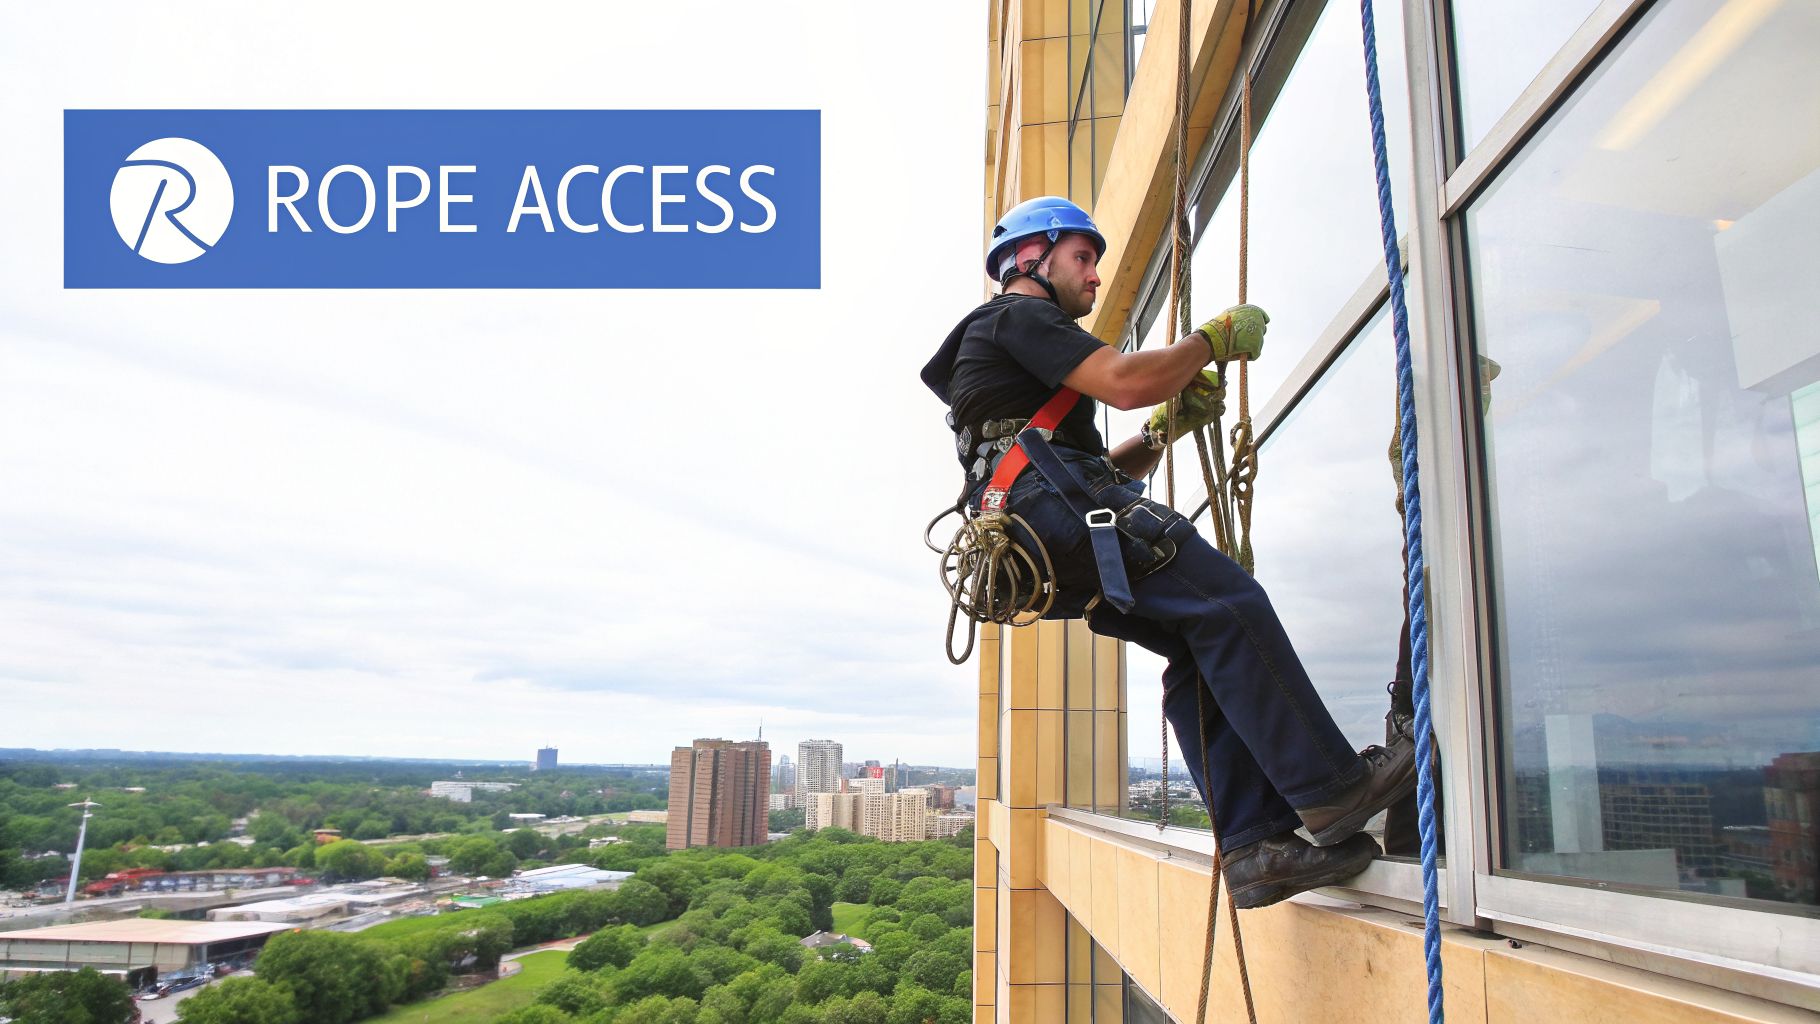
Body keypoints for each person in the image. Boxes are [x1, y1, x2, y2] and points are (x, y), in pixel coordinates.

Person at [922, 196, 1419, 909]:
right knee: (1229, 602)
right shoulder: (1017, 315)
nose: (1093, 278)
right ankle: (1334, 790)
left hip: (1036, 522)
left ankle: (1254, 848)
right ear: (1029, 259)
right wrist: (1211, 341)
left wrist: (1163, 432)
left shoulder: (1013, 356)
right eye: (1082, 258)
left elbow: (1080, 465)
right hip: (1047, 511)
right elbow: (1125, 383)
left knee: (1198, 640)